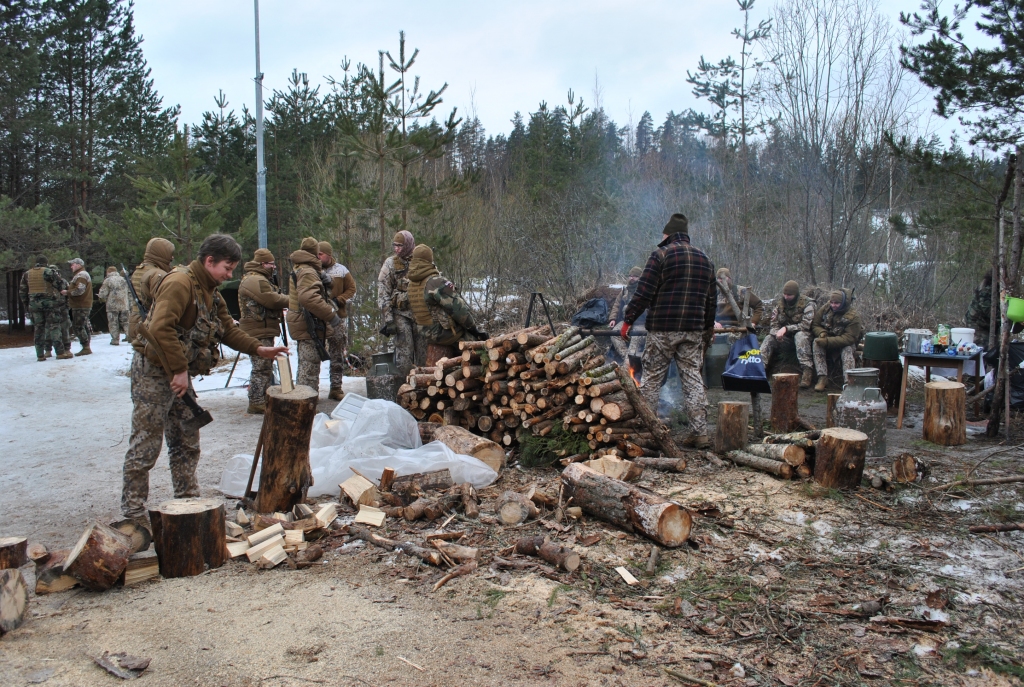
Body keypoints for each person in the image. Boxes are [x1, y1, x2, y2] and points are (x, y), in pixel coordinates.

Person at [121, 234, 288, 524]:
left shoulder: (209, 290)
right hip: (154, 372)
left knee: (186, 439)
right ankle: (133, 513)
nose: (229, 274)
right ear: (209, 261)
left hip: (176, 372)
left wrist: (259, 348)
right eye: (227, 267)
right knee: (146, 443)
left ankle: (187, 502)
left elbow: (227, 329)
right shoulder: (179, 283)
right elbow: (161, 329)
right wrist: (179, 371)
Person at [622, 213, 716, 449]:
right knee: (693, 379)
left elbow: (643, 292)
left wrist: (627, 320)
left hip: (663, 329)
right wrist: (706, 330)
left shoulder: (661, 255)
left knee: (652, 379)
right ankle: (700, 432)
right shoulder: (705, 259)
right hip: (692, 330)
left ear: (668, 235)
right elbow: (711, 300)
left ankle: (649, 431)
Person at [286, 237, 341, 394]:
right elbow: (309, 298)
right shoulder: (308, 271)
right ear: (316, 254)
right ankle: (305, 405)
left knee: (307, 366)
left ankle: (304, 403)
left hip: (304, 322)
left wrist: (327, 281)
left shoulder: (302, 268)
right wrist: (330, 315)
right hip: (307, 323)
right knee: (309, 369)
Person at [239, 248, 289, 414]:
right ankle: (256, 401)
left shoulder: (261, 278)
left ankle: (262, 399)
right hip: (257, 330)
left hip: (263, 328)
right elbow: (271, 299)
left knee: (265, 366)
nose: (273, 266)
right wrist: (293, 300)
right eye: (270, 263)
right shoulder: (255, 280)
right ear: (262, 263)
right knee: (260, 367)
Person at [406, 244, 485, 345]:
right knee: (481, 347)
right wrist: (474, 330)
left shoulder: (410, 284)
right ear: (429, 260)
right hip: (444, 334)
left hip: (424, 334)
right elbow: (460, 311)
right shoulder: (436, 282)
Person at [377, 230, 424, 374]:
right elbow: (383, 293)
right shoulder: (390, 264)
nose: (397, 249)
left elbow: (434, 282)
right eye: (395, 245)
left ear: (408, 245)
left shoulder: (421, 259)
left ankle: (424, 388)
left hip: (421, 313)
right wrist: (389, 319)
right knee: (404, 354)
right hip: (400, 314)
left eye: (400, 246)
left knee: (424, 354)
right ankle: (404, 388)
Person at [318, 241, 357, 400]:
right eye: (316, 254)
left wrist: (340, 300)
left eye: (321, 254)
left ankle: (336, 388)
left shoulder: (341, 270)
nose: (318, 257)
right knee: (315, 354)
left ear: (329, 254)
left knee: (336, 354)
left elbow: (352, 289)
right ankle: (312, 389)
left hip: (337, 317)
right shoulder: (313, 270)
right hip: (318, 318)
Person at [760, 280, 816, 388]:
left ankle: (807, 373)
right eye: (784, 294)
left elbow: (805, 325)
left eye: (789, 295)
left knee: (800, 336)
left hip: (804, 338)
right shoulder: (780, 304)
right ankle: (760, 371)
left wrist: (786, 328)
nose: (786, 297)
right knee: (768, 338)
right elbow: (774, 323)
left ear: (796, 294)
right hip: (785, 339)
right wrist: (777, 334)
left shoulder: (808, 304)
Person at [19, 256, 72, 361]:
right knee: (54, 326)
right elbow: (61, 285)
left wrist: (27, 305)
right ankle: (60, 352)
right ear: (46, 263)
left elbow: (22, 292)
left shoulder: (27, 274)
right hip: (50, 304)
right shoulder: (49, 272)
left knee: (38, 328)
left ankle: (40, 355)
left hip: (34, 305)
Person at [811, 289, 863, 391]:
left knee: (847, 350)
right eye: (832, 302)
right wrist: (821, 333)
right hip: (828, 338)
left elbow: (849, 338)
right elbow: (815, 324)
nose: (833, 305)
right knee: (816, 343)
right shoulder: (826, 308)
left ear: (843, 303)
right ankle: (822, 378)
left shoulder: (853, 316)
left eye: (837, 303)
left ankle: (849, 382)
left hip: (845, 343)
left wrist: (827, 342)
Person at [129, 237, 176, 341]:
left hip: (136, 321)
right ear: (161, 253)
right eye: (169, 253)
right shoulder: (157, 274)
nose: (172, 257)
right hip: (150, 325)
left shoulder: (139, 270)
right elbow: (163, 305)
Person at [609, 266, 647, 378]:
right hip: (626, 321)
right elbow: (616, 305)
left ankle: (632, 367)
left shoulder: (645, 290)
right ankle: (626, 356)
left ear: (640, 278)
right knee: (614, 333)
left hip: (641, 323)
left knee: (636, 338)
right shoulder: (625, 290)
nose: (632, 278)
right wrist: (612, 319)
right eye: (630, 276)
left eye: (635, 276)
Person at [714, 267, 763, 336]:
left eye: (723, 278)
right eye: (718, 278)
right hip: (720, 329)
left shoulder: (741, 291)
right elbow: (707, 312)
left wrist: (753, 322)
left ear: (729, 279)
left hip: (740, 328)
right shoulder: (715, 294)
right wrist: (714, 322)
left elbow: (759, 305)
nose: (720, 281)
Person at [98, 266, 130, 345]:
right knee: (126, 321)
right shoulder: (123, 279)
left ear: (108, 272)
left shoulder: (108, 280)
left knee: (113, 323)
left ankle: (115, 340)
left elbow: (102, 293)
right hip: (124, 304)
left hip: (112, 305)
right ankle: (130, 336)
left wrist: (101, 298)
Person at [67, 258, 93, 355]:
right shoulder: (82, 274)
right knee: (83, 325)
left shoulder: (81, 275)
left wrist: (67, 292)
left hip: (81, 305)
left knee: (78, 326)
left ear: (78, 265)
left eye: (72, 264)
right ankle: (87, 346)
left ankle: (85, 347)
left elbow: (79, 290)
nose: (71, 266)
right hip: (82, 304)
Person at [966, 270, 996, 350]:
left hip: (986, 325)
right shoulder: (986, 289)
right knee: (982, 348)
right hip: (977, 324)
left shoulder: (997, 288)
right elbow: (988, 311)